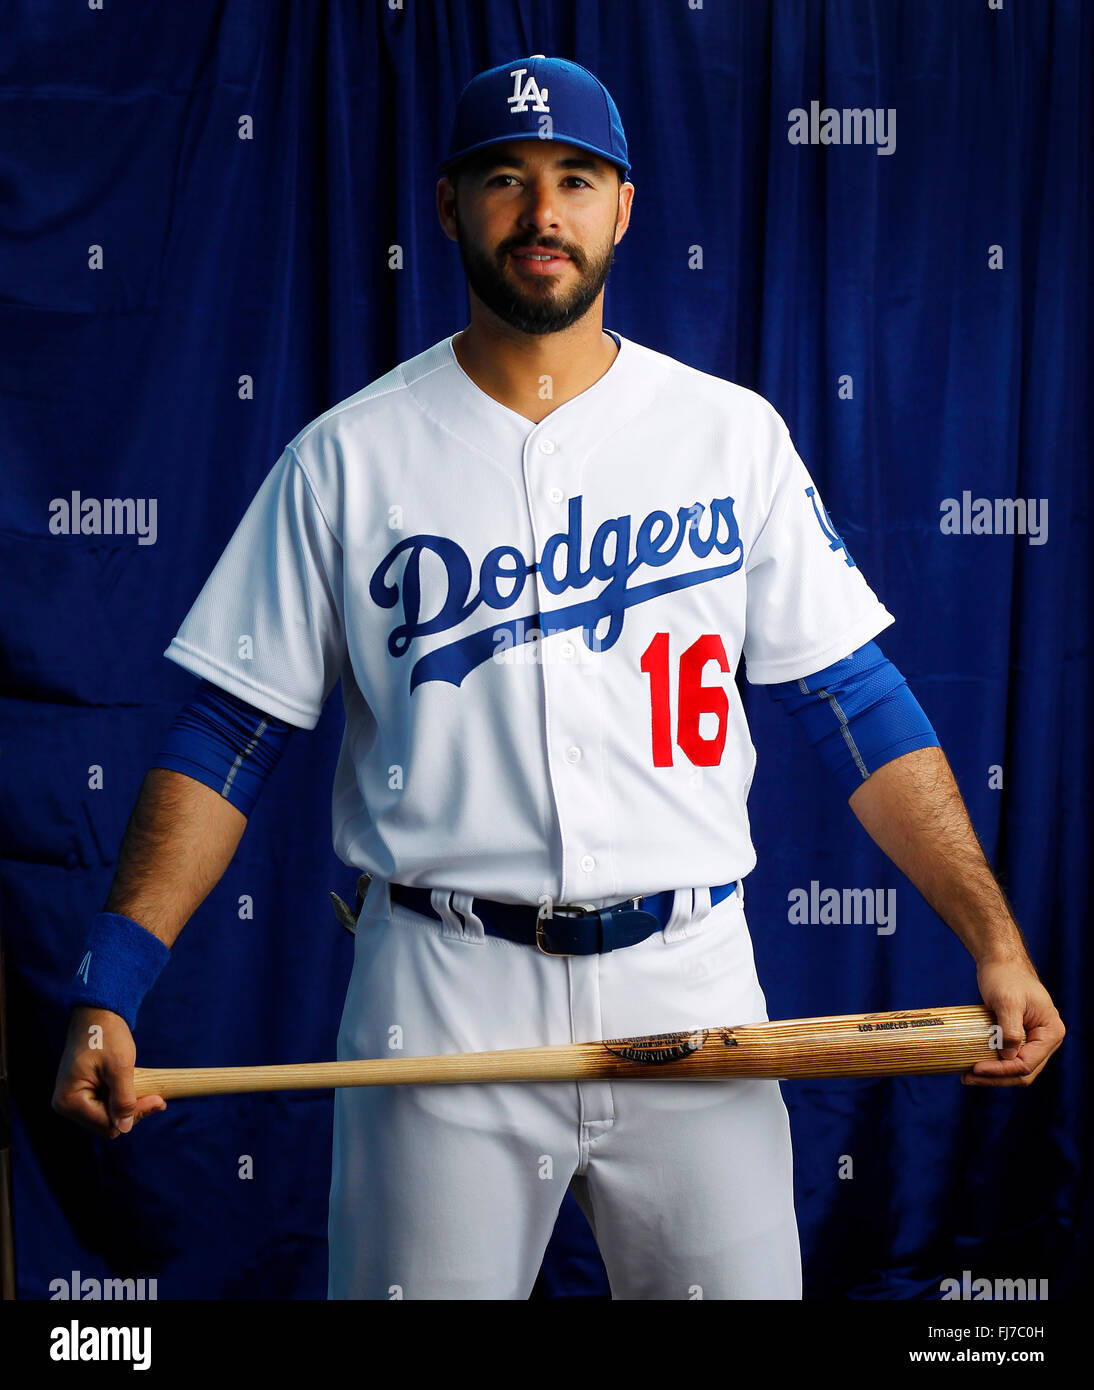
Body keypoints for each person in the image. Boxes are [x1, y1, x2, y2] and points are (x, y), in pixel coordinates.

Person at [53, 56, 1064, 1300]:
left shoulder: (726, 434)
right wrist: (110, 985)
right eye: (505, 180)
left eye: (574, 180)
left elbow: (852, 704)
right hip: (439, 986)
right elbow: (227, 734)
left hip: (688, 972)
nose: (542, 214)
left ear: (622, 206)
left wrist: (994, 943)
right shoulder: (345, 458)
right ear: (448, 204)